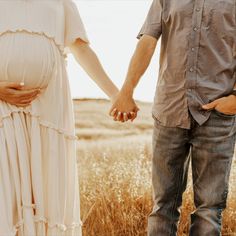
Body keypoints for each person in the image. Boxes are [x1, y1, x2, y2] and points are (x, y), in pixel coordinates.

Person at [110, 0, 236, 235]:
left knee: (209, 209)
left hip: (216, 117)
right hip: (169, 110)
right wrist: (126, 90)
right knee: (162, 207)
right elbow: (147, 41)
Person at [0, 0, 123, 235]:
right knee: (6, 196)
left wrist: (116, 95)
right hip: (2, 108)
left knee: (47, 196)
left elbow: (82, 49)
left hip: (48, 110)